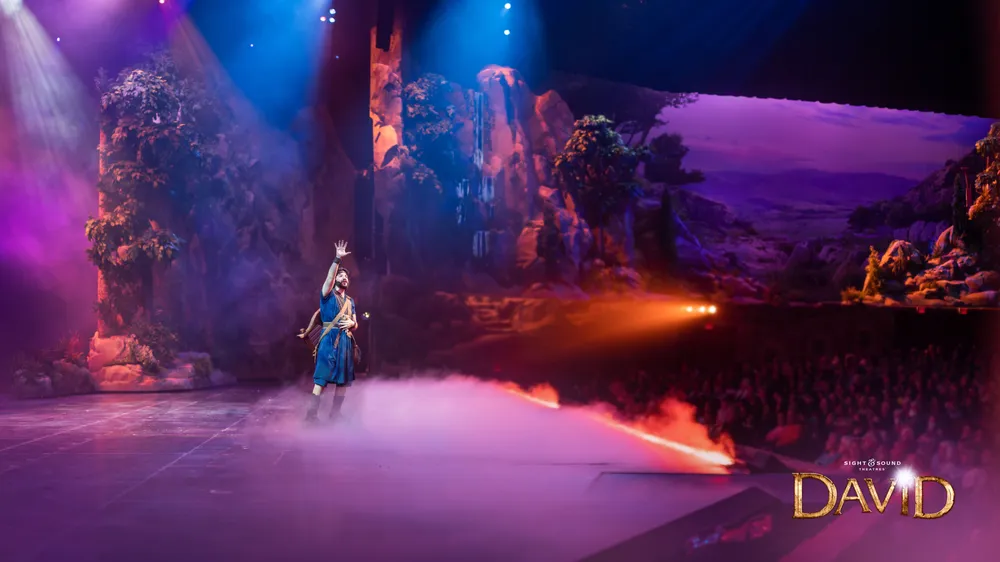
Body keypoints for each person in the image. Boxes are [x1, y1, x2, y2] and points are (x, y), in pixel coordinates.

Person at [298, 240, 357, 422]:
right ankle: (311, 416)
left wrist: (352, 324)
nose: (344, 278)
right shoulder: (327, 294)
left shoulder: (350, 301)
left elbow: (355, 322)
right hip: (329, 340)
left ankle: (335, 414)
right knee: (322, 378)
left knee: (343, 380)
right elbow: (329, 277)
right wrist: (337, 259)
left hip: (345, 341)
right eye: (341, 276)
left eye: (346, 276)